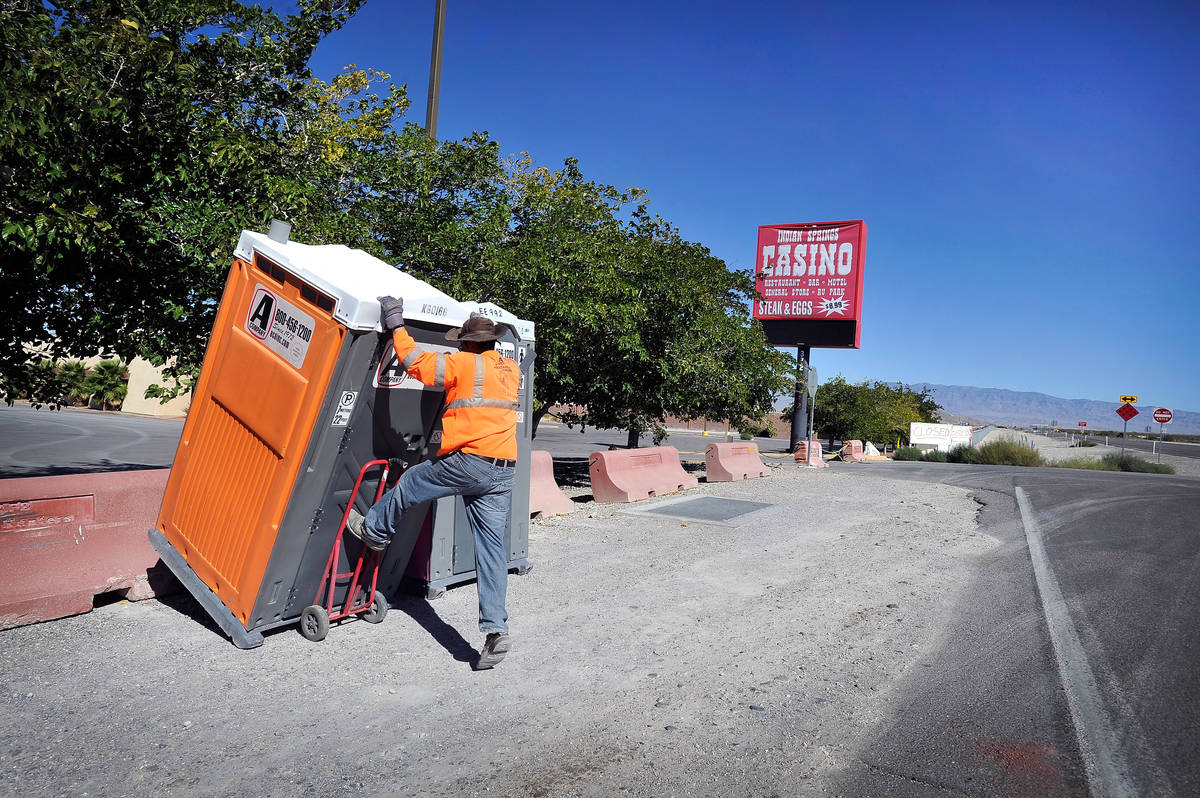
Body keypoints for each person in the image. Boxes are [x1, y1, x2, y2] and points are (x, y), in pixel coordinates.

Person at [347, 295, 520, 670]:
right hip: (503, 469)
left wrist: (396, 324)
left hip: (469, 463)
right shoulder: (511, 371)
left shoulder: (464, 363)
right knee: (490, 552)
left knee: (412, 481)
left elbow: (417, 365)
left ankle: (375, 528)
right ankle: (495, 629)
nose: (458, 346)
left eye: (461, 342)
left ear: (471, 343)